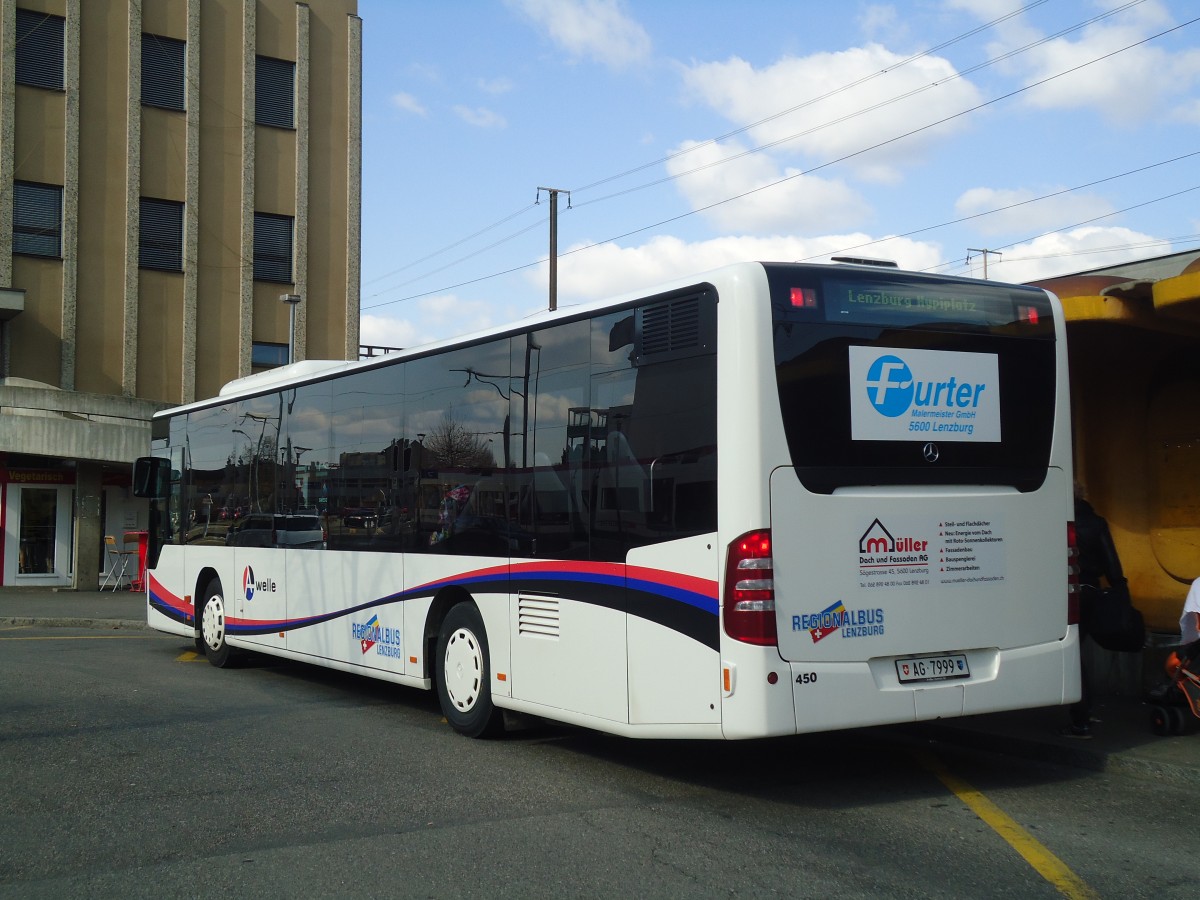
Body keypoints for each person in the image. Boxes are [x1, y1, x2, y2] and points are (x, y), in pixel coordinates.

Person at [1065, 489, 1125, 739]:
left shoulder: (1059, 521)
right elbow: (1112, 563)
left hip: (1068, 593)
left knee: (1072, 655)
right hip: (1092, 591)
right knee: (1078, 651)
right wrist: (1120, 590)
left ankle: (1082, 719)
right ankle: (1086, 711)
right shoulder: (1096, 522)